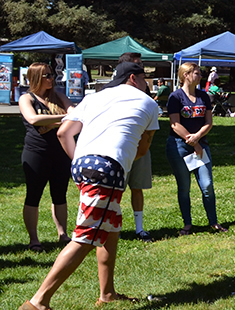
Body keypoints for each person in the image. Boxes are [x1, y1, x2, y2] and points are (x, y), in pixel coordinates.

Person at [19, 62, 159, 310]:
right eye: (144, 78)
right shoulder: (148, 102)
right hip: (108, 169)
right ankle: (38, 302)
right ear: (133, 79)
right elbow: (143, 149)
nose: (146, 83)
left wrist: (81, 163)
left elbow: (64, 133)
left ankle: (107, 294)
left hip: (84, 164)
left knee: (111, 226)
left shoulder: (94, 98)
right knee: (85, 237)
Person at [166, 62, 228, 236]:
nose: (200, 76)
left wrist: (198, 138)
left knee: (207, 185)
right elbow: (174, 124)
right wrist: (192, 141)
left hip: (200, 145)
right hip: (179, 146)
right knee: (184, 187)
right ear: (186, 75)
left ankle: (213, 222)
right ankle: (187, 224)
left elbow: (209, 122)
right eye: (197, 73)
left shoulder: (204, 96)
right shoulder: (175, 97)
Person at [19, 63, 74, 252]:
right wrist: (61, 119)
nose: (52, 78)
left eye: (52, 74)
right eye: (47, 75)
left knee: (60, 194)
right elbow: (33, 119)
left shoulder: (58, 96)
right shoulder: (26, 98)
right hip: (36, 153)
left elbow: (74, 114)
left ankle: (63, 234)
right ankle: (34, 240)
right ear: (35, 78)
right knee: (33, 195)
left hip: (60, 152)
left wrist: (50, 124)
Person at [116, 52, 154, 242]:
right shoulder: (114, 90)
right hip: (121, 148)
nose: (141, 69)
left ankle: (139, 229)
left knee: (137, 187)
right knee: (117, 190)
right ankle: (116, 227)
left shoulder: (143, 89)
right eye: (137, 65)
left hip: (141, 145)